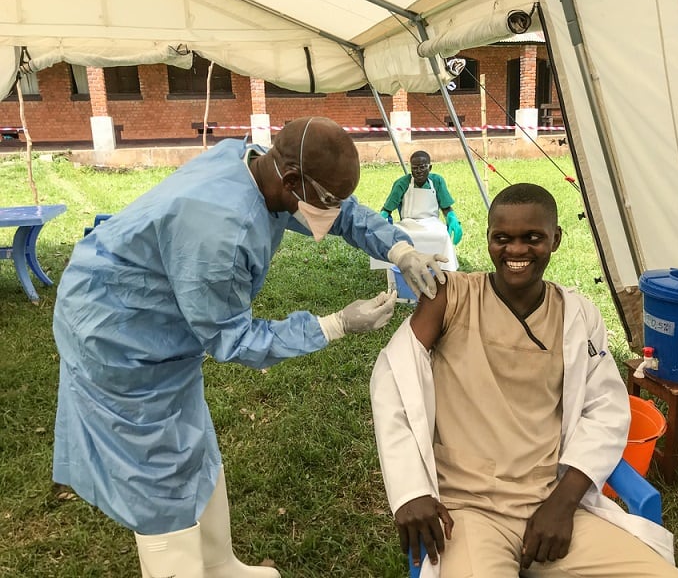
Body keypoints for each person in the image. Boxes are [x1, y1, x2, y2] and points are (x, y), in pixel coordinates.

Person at [52, 116, 447, 578]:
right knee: (155, 469)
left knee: (190, 436)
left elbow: (343, 209)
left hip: (156, 313)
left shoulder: (255, 164)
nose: (334, 210)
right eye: (326, 199)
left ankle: (221, 564)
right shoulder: (222, 232)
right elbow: (233, 338)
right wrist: (334, 324)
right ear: (293, 181)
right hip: (117, 334)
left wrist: (398, 249)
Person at [370, 183, 678, 577]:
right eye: (502, 238)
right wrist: (410, 490)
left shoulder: (578, 315)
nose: (516, 251)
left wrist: (563, 503)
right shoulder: (450, 297)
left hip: (549, 503)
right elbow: (392, 376)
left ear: (556, 239)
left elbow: (606, 410)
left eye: (532, 238)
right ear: (487, 240)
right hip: (467, 512)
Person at [376, 150, 461, 272]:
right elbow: (387, 208)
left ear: (430, 167)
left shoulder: (437, 181)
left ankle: (445, 271)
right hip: (408, 223)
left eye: (422, 167)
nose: (419, 171)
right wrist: (382, 218)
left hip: (432, 223)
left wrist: (452, 218)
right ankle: (398, 272)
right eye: (415, 168)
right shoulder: (402, 183)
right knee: (395, 238)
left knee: (443, 236)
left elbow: (446, 207)